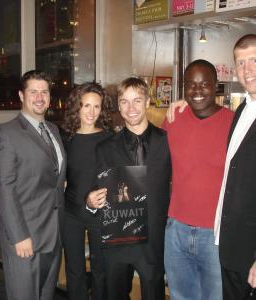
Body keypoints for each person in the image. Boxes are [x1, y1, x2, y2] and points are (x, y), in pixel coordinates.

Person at [86, 77, 171, 300]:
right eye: (124, 102)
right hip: (117, 239)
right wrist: (90, 201)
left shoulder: (168, 142)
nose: (131, 108)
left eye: (137, 101)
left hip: (153, 238)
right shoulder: (104, 148)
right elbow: (95, 188)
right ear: (118, 105)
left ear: (147, 102)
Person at [0, 70, 66, 300]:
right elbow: (3, 188)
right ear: (21, 96)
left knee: (45, 296)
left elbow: (53, 179)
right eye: (33, 92)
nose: (40, 97)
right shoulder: (5, 134)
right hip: (25, 236)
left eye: (44, 92)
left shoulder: (53, 130)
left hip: (53, 234)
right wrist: (19, 235)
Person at [163, 60, 234, 300]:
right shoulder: (173, 119)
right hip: (176, 231)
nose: (197, 91)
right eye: (191, 85)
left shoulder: (234, 124)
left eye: (204, 84)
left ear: (216, 86)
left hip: (215, 235)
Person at [60, 83, 113, 300]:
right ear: (76, 107)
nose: (91, 112)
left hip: (99, 215)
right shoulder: (65, 138)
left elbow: (116, 178)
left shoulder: (110, 139)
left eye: (97, 107)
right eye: (86, 106)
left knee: (101, 271)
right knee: (74, 271)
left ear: (102, 109)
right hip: (70, 213)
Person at [214, 34, 256, 299]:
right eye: (240, 63)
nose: (247, 69)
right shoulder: (241, 110)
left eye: (254, 60)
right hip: (231, 246)